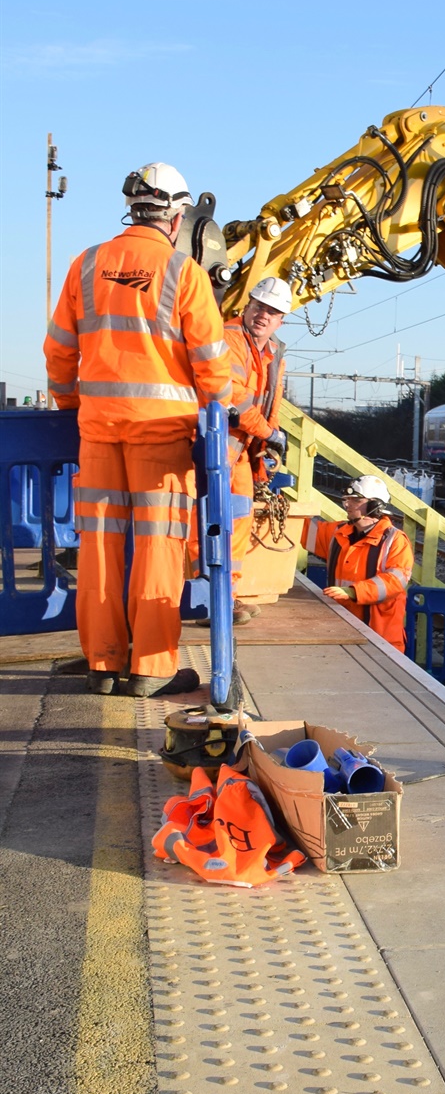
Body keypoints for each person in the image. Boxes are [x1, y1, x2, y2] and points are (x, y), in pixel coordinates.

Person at [43, 163, 231, 697]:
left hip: (99, 433)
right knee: (157, 548)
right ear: (175, 217)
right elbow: (213, 368)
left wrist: (74, 404)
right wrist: (217, 422)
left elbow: (59, 350)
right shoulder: (183, 273)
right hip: (161, 438)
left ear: (132, 208)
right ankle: (150, 668)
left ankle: (103, 662)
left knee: (100, 547)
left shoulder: (87, 264)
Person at [224, 276, 291, 621]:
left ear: (281, 320)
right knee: (206, 521)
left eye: (273, 311)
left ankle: (225, 597)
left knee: (238, 518)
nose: (264, 315)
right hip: (214, 445)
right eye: (260, 307)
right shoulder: (229, 338)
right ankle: (201, 596)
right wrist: (268, 432)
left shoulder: (273, 351)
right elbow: (233, 398)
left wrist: (272, 435)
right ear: (247, 307)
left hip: (238, 448)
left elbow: (271, 401)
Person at [302, 476, 414, 651]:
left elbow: (395, 582)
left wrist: (353, 592)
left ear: (375, 506)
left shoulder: (395, 540)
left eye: (356, 500)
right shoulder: (338, 534)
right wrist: (276, 506)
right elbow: (303, 530)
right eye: (347, 500)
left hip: (381, 638)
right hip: (341, 630)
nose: (348, 505)